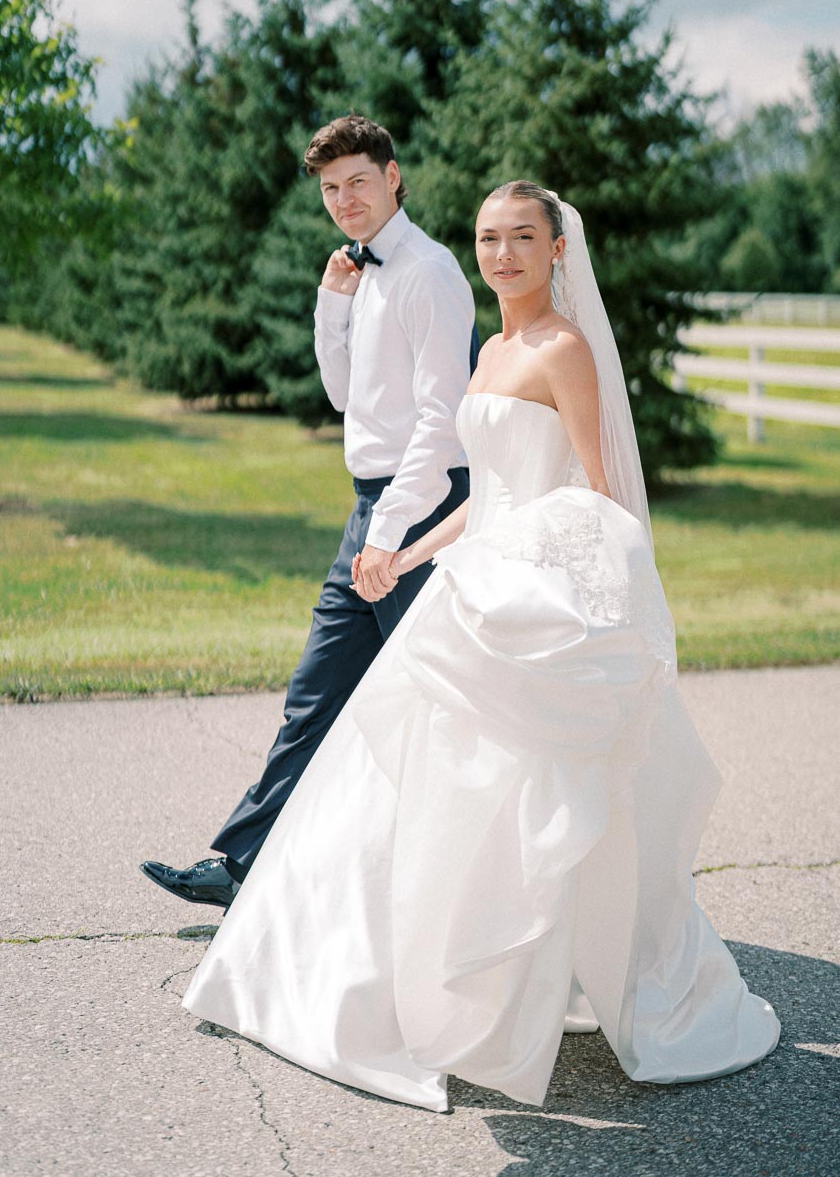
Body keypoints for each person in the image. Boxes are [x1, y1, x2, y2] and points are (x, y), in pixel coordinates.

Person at [182, 182, 780, 1111]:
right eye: (489, 239)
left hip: (528, 601)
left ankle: (500, 994)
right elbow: (487, 493)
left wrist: (568, 594)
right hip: (469, 583)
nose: (502, 255)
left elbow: (598, 491)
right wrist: (405, 550)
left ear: (555, 252)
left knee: (523, 802)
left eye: (521, 239)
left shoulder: (565, 350)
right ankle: (375, 987)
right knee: (401, 789)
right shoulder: (493, 349)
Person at [141, 115, 477, 909]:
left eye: (358, 180)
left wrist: (392, 538)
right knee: (315, 693)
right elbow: (344, 395)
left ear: (393, 176)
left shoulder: (429, 273)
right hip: (371, 510)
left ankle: (476, 893)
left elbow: (442, 421)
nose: (344, 199)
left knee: (448, 706)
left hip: (421, 512)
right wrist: (332, 305)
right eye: (330, 188)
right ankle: (242, 868)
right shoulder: (362, 275)